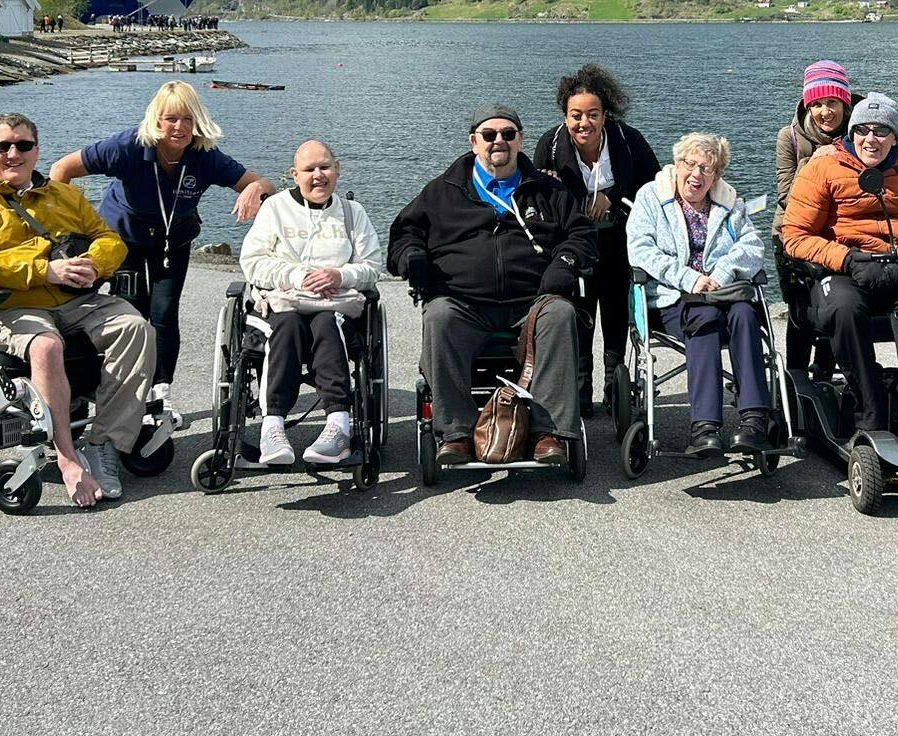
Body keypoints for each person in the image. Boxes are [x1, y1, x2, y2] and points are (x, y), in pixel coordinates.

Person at [0, 112, 156, 507]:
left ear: (36, 151)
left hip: (75, 299)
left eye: (23, 145)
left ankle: (103, 444)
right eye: (3, 146)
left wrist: (94, 263)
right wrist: (44, 270)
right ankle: (68, 458)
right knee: (46, 346)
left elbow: (110, 239)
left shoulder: (64, 195)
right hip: (3, 305)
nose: (13, 153)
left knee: (136, 327)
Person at [49, 81, 275, 423]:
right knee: (133, 316)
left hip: (174, 241)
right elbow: (61, 171)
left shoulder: (205, 156)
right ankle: (130, 395)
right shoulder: (126, 147)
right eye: (171, 118)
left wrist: (254, 188)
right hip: (124, 239)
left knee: (165, 314)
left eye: (187, 119)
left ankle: (161, 394)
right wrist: (67, 231)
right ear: (157, 119)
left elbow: (263, 184)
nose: (179, 127)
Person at [388, 104, 597, 467]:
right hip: (464, 303)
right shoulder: (442, 191)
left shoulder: (548, 191)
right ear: (474, 142)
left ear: (520, 141)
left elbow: (582, 235)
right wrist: (413, 259)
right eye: (489, 135)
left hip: (532, 304)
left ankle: (548, 432)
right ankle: (455, 433)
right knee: (438, 316)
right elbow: (404, 234)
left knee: (561, 313)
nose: (498, 141)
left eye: (507, 134)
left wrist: (564, 264)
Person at [780, 92, 898, 441]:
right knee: (845, 309)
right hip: (845, 270)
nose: (870, 139)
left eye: (880, 131)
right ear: (851, 132)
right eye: (862, 130)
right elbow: (795, 236)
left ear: (894, 137)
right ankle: (869, 411)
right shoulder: (823, 167)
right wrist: (845, 258)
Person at [238, 139, 383, 466]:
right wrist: (298, 276)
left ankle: (338, 426)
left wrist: (338, 275)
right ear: (294, 174)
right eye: (309, 169)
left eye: (325, 167)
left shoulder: (352, 213)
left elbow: (373, 267)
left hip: (334, 306)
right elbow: (253, 262)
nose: (318, 175)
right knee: (286, 326)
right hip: (286, 302)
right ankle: (272, 426)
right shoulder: (274, 208)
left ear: (337, 169)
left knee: (326, 324)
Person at [625, 132, 772, 457]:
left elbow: (753, 247)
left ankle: (754, 420)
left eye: (707, 168)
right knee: (703, 317)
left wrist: (720, 275)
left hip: (725, 295)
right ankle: (704, 426)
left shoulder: (730, 203)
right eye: (689, 164)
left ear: (717, 174)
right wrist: (690, 279)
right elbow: (640, 251)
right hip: (674, 298)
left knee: (746, 315)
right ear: (676, 164)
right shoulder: (652, 197)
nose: (696, 175)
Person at [533, 63, 660, 417]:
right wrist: (575, 207)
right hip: (574, 244)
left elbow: (655, 189)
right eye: (575, 115)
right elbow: (540, 201)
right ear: (565, 115)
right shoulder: (550, 144)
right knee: (579, 314)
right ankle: (581, 386)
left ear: (606, 115)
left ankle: (615, 383)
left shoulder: (629, 141)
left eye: (592, 114)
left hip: (619, 240)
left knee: (617, 313)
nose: (583, 123)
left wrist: (616, 201)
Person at [773, 59, 860, 370]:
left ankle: (825, 371)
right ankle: (796, 379)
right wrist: (817, 164)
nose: (826, 111)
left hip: (842, 234)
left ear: (845, 103)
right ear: (808, 106)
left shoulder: (863, 135)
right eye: (818, 103)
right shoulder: (790, 138)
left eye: (833, 102)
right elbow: (785, 194)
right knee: (800, 309)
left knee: (834, 305)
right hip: (794, 232)